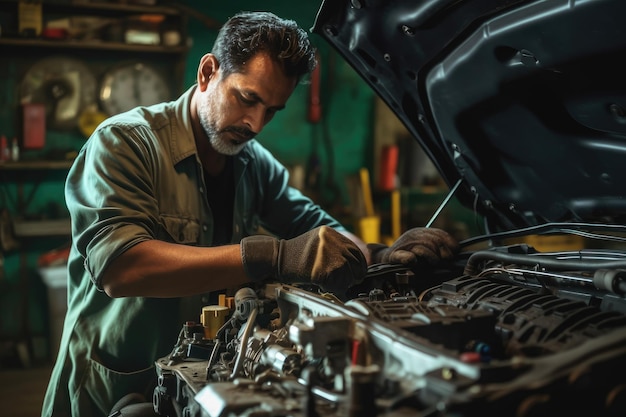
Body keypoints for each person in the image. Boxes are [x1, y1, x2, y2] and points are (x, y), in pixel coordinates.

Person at [41, 11, 458, 417]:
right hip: (117, 389)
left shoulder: (253, 163)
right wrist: (269, 256)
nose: (256, 123)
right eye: (247, 98)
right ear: (207, 73)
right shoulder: (125, 143)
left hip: (202, 387)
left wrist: (377, 255)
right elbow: (121, 268)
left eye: (272, 110)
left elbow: (316, 228)